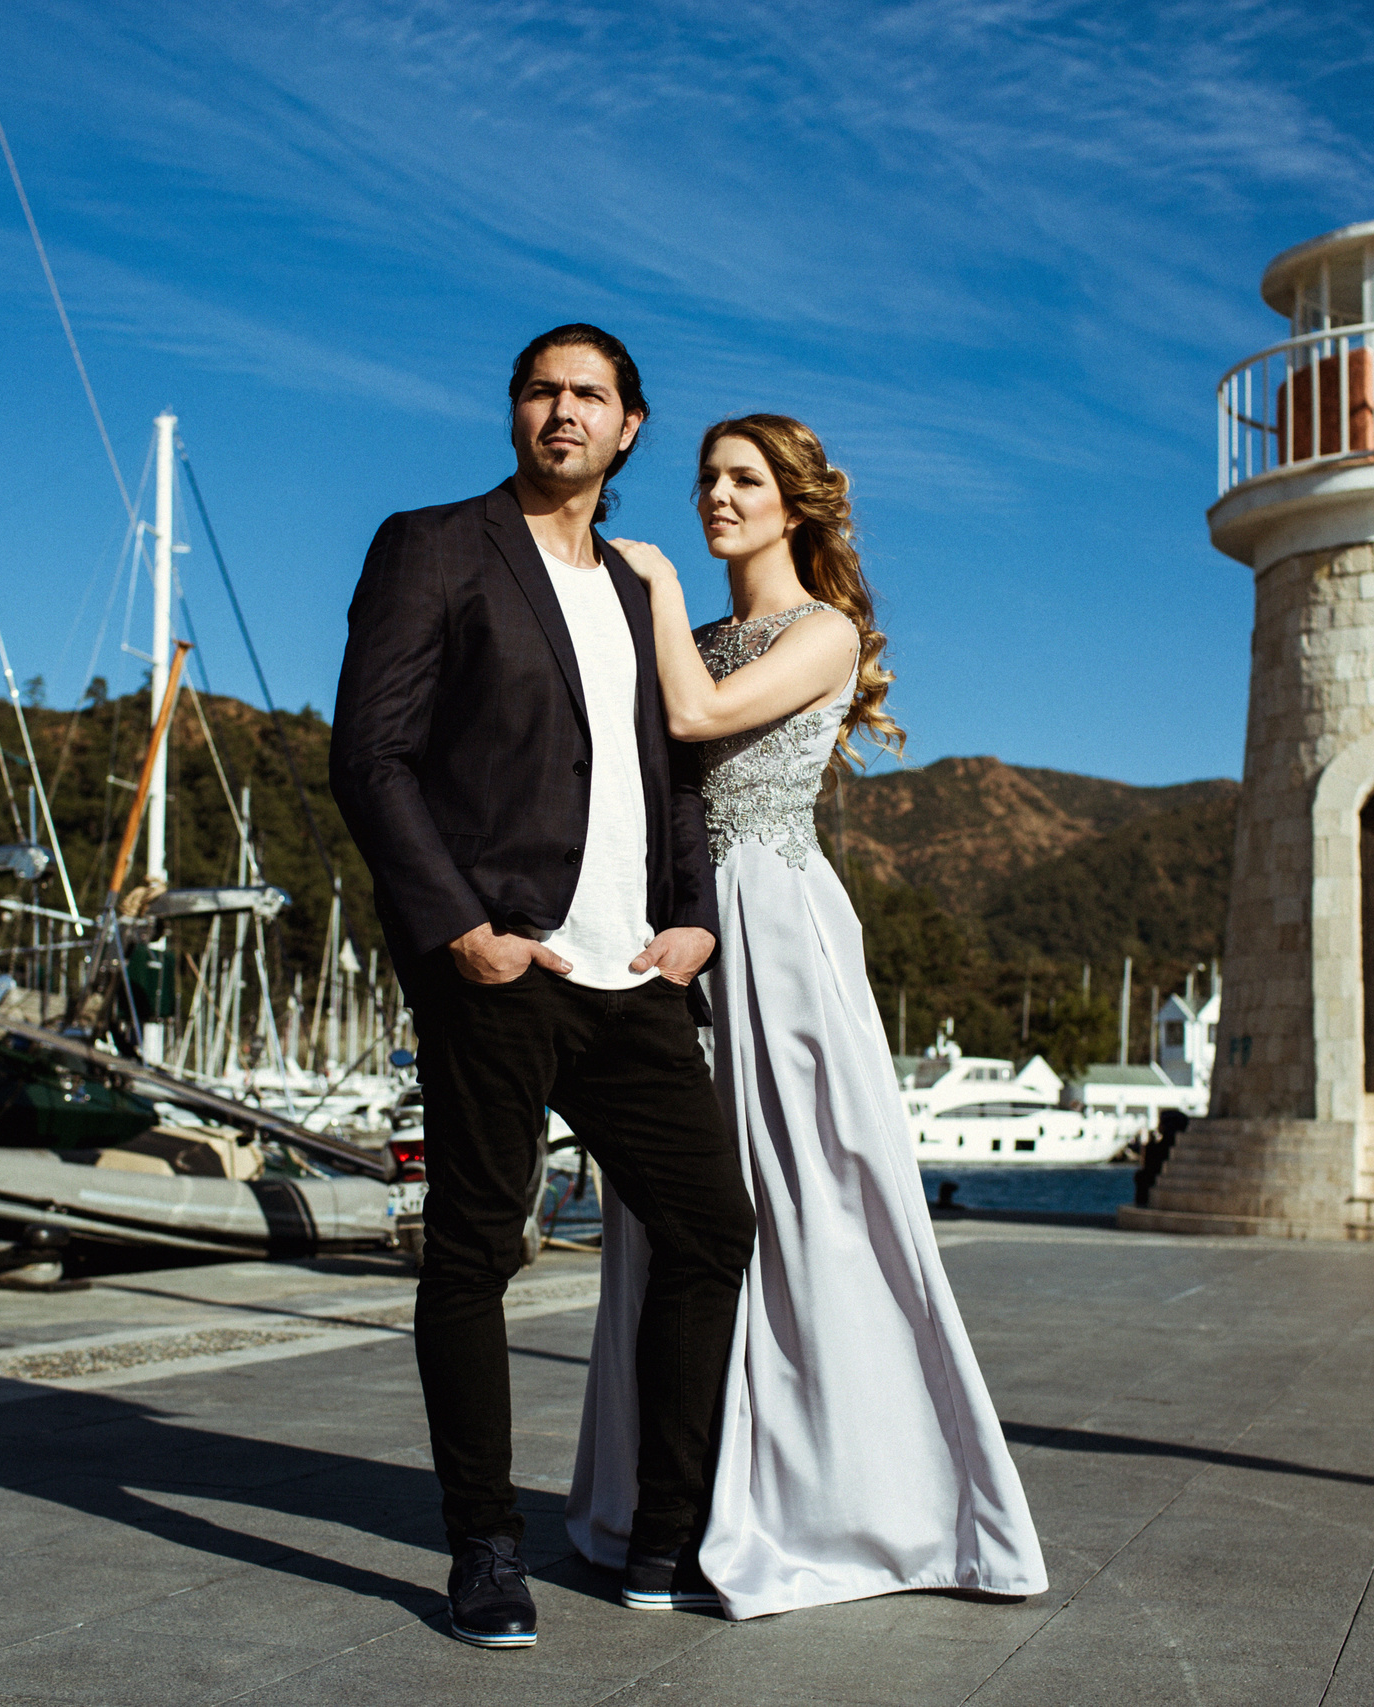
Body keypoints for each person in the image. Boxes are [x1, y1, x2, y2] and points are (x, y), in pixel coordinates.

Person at [328, 325, 756, 1650]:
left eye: (590, 394)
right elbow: (372, 755)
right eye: (540, 389)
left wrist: (691, 922)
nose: (561, 409)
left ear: (631, 427)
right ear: (515, 412)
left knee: (709, 1231)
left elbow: (674, 773)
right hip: (503, 966)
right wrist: (461, 932)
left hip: (634, 976)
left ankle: (661, 1540)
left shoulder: (643, 588)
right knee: (474, 1248)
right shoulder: (435, 545)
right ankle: (485, 1547)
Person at [578, 413, 1047, 1619]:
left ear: (796, 502)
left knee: (808, 1201)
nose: (716, 496)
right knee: (675, 1214)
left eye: (743, 479)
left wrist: (655, 584)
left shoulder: (823, 632)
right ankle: (665, 1497)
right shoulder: (698, 635)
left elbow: (686, 725)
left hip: (775, 929)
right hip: (675, 929)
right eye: (706, 480)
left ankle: (833, 1500)